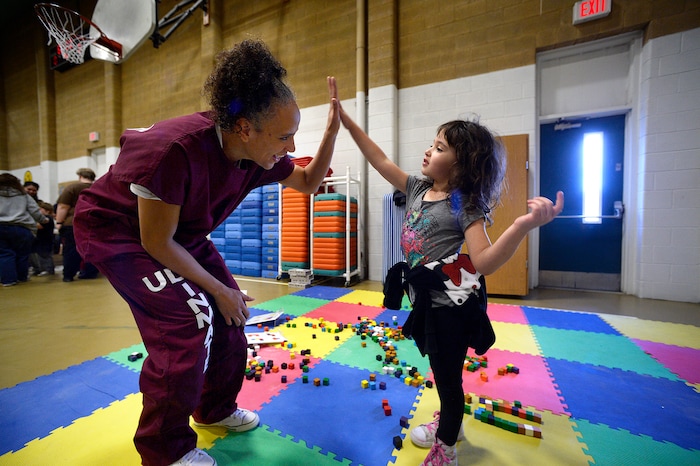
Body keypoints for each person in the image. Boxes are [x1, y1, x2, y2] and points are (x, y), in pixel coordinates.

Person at [73, 39, 340, 466]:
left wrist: (331, 133)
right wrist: (218, 289)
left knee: (233, 312)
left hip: (181, 234)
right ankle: (165, 451)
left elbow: (308, 182)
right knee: (190, 318)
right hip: (119, 232)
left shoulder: (256, 156)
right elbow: (155, 243)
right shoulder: (173, 150)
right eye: (284, 136)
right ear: (245, 129)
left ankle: (214, 409)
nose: (289, 147)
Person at [338, 106, 564, 465]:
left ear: (461, 165)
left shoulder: (463, 204)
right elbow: (378, 158)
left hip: (452, 310)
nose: (429, 151)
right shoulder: (417, 187)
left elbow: (484, 260)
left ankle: (446, 449)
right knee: (443, 371)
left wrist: (521, 226)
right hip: (427, 303)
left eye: (440, 147)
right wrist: (347, 123)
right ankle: (450, 425)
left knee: (447, 379)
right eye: (433, 144)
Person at [0, 173, 48, 286]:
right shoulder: (23, 195)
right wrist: (43, 220)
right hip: (22, 228)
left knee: (4, 254)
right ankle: (22, 278)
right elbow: (34, 211)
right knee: (22, 254)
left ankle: (8, 280)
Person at [55, 168, 99, 281]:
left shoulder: (72, 188)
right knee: (93, 249)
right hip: (95, 224)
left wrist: (59, 222)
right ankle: (90, 273)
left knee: (71, 250)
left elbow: (63, 207)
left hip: (73, 224)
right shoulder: (99, 188)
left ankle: (68, 275)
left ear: (80, 176)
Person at [32, 201, 56, 276]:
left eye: (40, 209)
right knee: (43, 255)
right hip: (44, 240)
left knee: (45, 255)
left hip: (45, 240)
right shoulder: (48, 218)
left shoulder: (47, 218)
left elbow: (39, 226)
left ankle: (47, 269)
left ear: (47, 210)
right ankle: (45, 269)